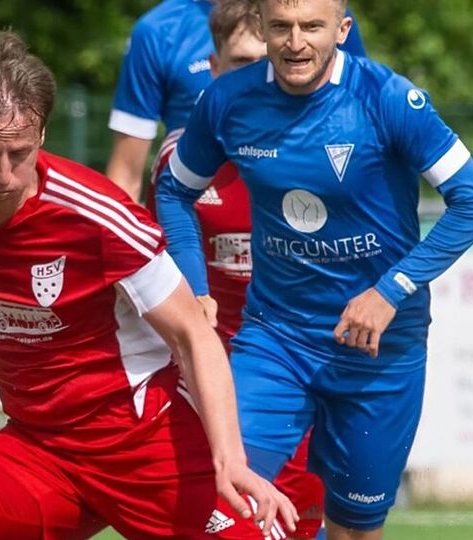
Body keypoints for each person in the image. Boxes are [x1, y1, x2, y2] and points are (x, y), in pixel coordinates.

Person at [0, 30, 299, 540]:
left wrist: (230, 460)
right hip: (41, 448)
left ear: (41, 135)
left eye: (18, 152)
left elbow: (193, 334)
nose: (3, 175)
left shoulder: (98, 217)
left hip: (147, 440)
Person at [154, 0, 473, 538]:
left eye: (312, 27)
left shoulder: (387, 99)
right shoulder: (226, 100)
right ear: (264, 27)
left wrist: (390, 291)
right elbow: (173, 190)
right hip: (276, 339)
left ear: (341, 29)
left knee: (355, 527)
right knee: (221, 504)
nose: (296, 42)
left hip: (379, 351)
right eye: (283, 27)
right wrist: (195, 287)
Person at [145, 3, 325, 539]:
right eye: (241, 61)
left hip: (309, 362)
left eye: (264, 60)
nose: (256, 76)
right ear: (215, 68)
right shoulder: (182, 161)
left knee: (313, 517)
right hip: (219, 381)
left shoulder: (325, 149)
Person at [106, 0, 368, 202]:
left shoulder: (313, 11)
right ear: (214, 66)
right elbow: (126, 175)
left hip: (305, 216)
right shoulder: (157, 31)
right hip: (202, 221)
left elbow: (360, 129)